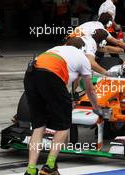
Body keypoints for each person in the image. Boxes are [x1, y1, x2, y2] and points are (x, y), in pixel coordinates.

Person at [23, 37, 102, 175]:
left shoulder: (55, 49)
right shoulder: (83, 58)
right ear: (83, 49)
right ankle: (50, 166)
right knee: (64, 125)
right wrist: (96, 108)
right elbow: (90, 90)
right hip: (51, 76)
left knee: (38, 125)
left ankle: (30, 170)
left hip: (30, 75)